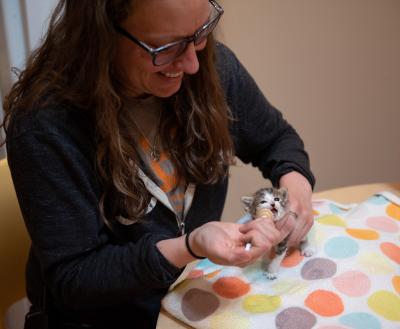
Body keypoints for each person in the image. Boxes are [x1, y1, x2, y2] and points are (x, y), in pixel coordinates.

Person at [1, 0, 315, 328]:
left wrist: (295, 185)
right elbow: (75, 279)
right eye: (166, 47)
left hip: (190, 302)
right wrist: (188, 246)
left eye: (200, 32)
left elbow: (277, 140)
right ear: (101, 33)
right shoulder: (45, 124)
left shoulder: (214, 69)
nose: (192, 62)